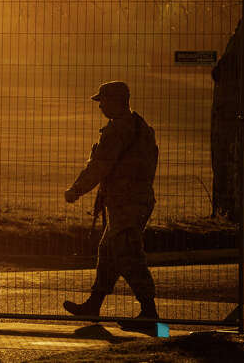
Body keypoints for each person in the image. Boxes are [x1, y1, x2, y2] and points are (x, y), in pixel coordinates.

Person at [63, 81, 160, 330]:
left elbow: (99, 165)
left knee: (129, 254)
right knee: (108, 253)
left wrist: (76, 190)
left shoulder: (117, 130)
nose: (100, 106)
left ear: (116, 101)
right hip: (135, 199)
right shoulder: (141, 126)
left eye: (103, 101)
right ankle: (93, 306)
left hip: (127, 202)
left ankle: (150, 315)